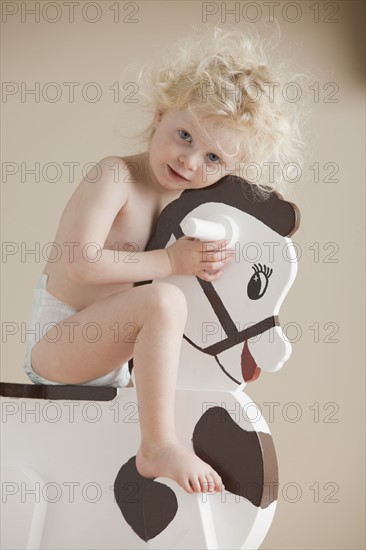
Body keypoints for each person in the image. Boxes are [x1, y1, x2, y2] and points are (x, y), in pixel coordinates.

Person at [23, 26, 302, 494]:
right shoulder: (116, 176)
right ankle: (157, 445)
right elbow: (82, 265)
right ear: (159, 114)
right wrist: (172, 262)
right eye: (184, 135)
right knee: (165, 301)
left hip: (114, 363)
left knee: (181, 304)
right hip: (60, 346)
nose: (190, 161)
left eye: (213, 157)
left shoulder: (191, 213)